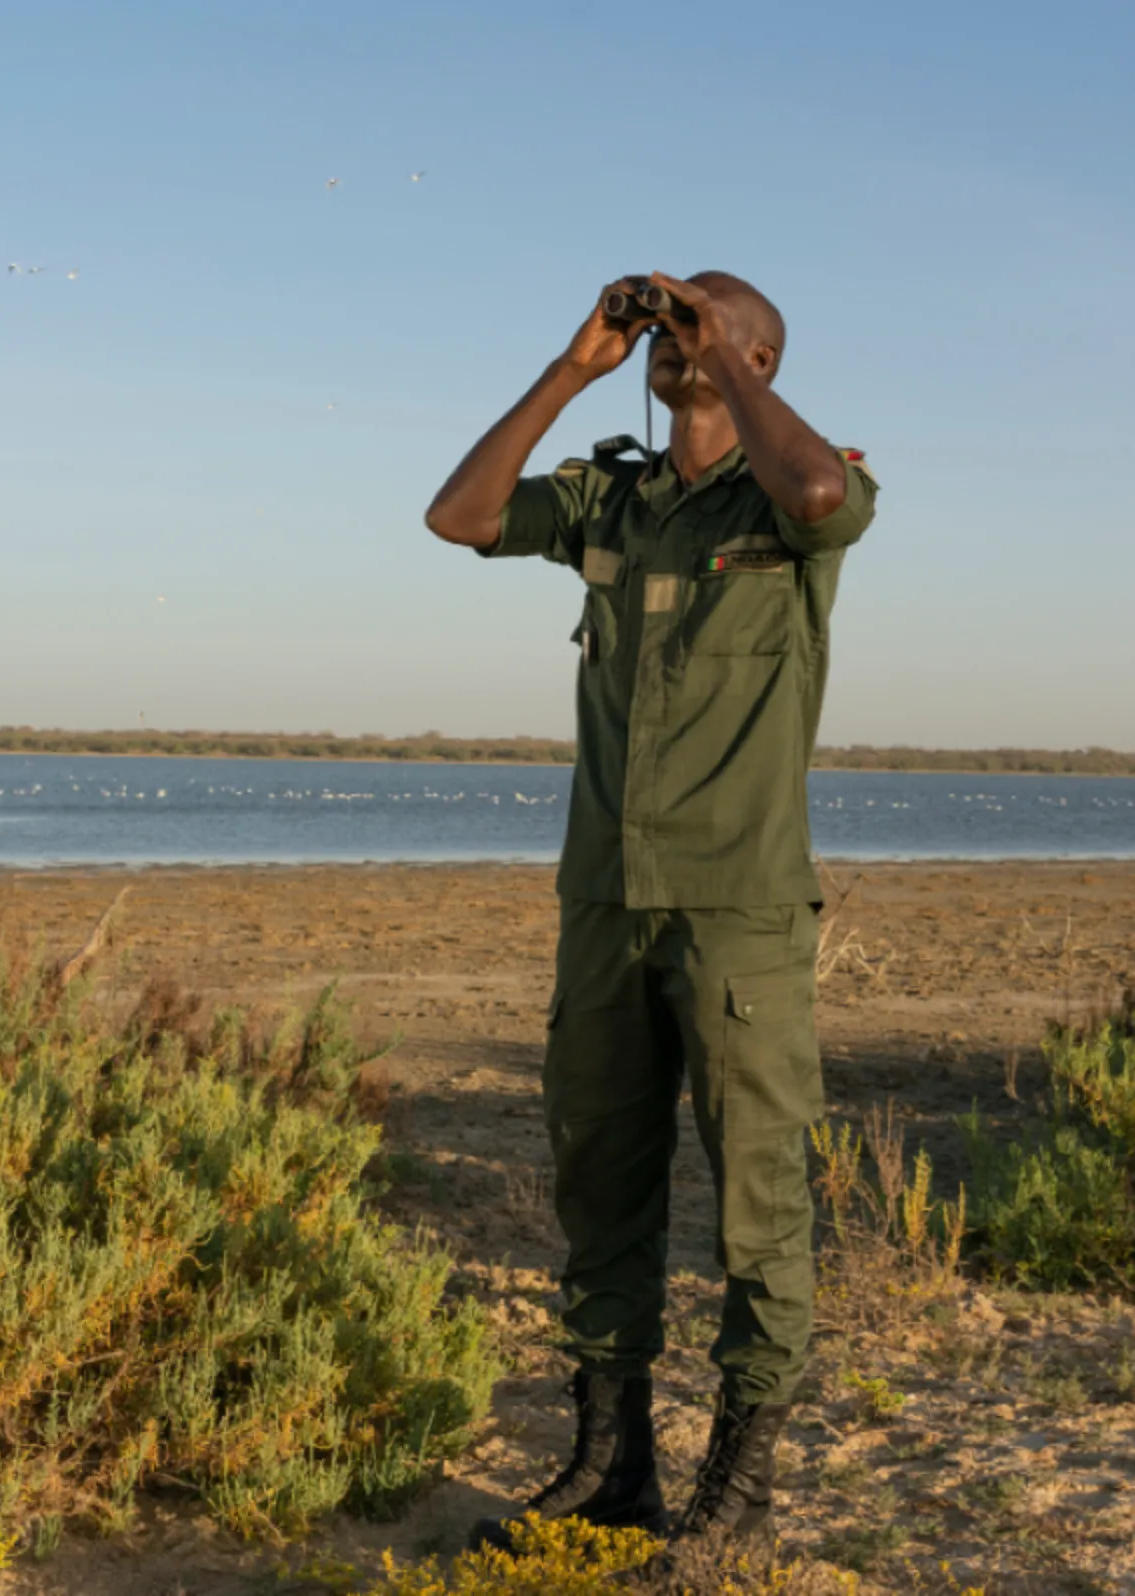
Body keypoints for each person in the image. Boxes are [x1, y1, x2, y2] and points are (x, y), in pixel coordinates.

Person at [424, 271, 877, 1556]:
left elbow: (826, 499)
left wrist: (723, 357)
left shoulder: (797, 494)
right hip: (606, 903)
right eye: (666, 334)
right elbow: (457, 518)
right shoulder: (611, 497)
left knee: (757, 1203)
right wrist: (574, 365)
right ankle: (611, 1464)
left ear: (761, 359)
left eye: (704, 330)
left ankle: (736, 1500)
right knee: (600, 1186)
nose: (672, 344)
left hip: (738, 911)